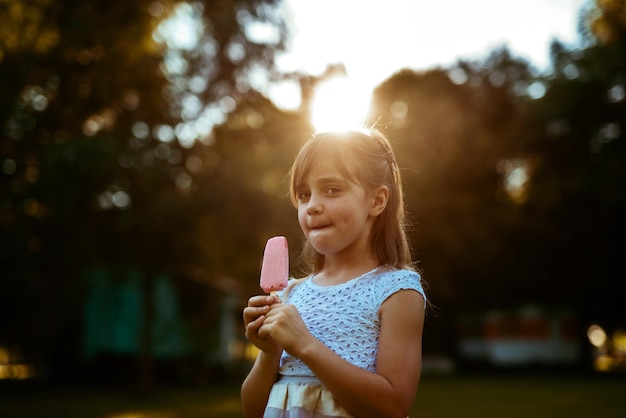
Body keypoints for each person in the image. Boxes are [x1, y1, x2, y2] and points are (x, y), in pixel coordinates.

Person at [241, 128, 426, 418]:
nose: (312, 205)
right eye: (304, 194)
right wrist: (270, 352)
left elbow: (393, 406)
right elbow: (253, 410)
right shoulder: (289, 294)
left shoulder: (396, 292)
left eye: (332, 190)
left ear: (376, 201)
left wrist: (305, 345)